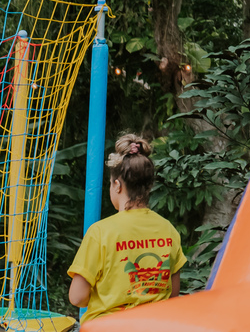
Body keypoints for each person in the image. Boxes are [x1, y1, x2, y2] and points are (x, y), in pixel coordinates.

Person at [68, 134, 186, 324]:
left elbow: (77, 297)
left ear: (117, 185)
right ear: (149, 186)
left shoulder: (100, 232)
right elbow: (173, 294)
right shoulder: (168, 229)